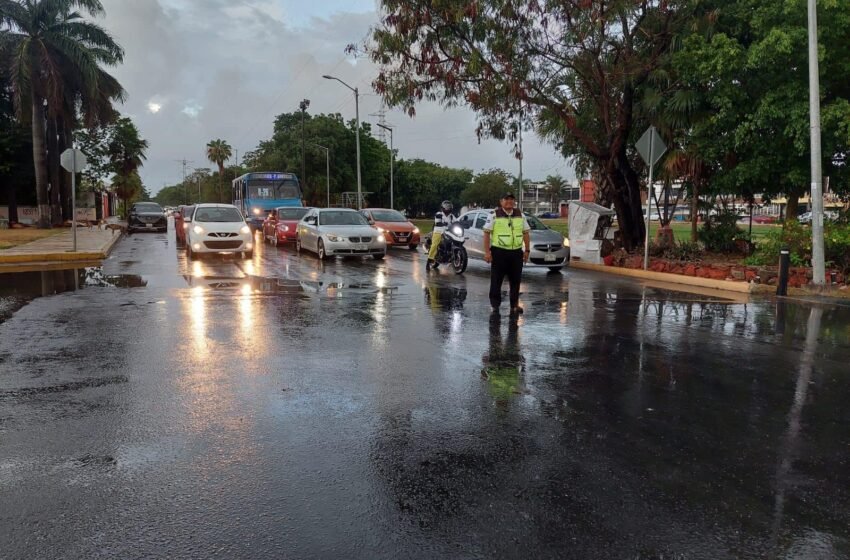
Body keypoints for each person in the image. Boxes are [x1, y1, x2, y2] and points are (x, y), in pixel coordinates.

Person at [483, 192, 531, 314]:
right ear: (501, 201)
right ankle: (495, 305)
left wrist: (527, 250)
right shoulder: (494, 215)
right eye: (506, 199)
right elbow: (487, 233)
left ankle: (514, 305)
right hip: (499, 252)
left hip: (516, 253)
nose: (509, 201)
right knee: (496, 280)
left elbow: (526, 233)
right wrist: (487, 252)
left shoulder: (520, 215)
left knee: (515, 280)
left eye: (511, 199)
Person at [427, 200, 456, 270]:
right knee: (435, 244)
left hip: (448, 232)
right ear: (442, 207)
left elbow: (456, 221)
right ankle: (429, 260)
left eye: (449, 207)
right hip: (438, 231)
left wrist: (462, 223)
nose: (448, 208)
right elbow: (437, 222)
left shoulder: (451, 216)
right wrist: (442, 224)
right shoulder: (439, 214)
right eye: (446, 207)